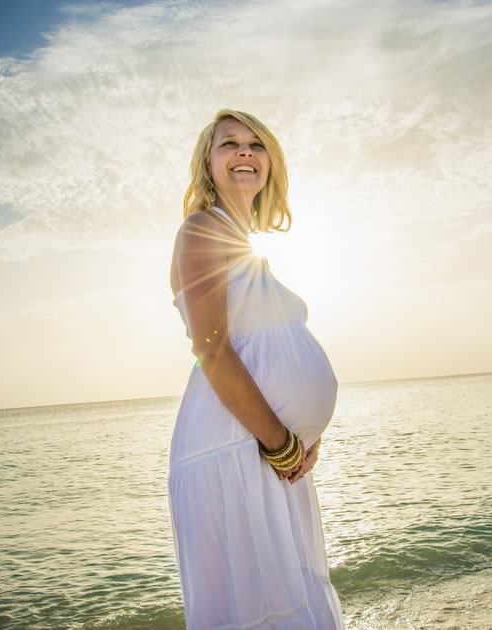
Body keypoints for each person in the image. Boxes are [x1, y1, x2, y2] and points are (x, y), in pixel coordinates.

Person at [167, 109, 344, 629]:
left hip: (266, 450)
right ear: (208, 162)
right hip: (235, 448)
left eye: (255, 144)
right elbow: (213, 351)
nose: (244, 152)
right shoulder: (201, 230)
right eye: (229, 144)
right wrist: (282, 442)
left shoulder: (244, 244)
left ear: (271, 161)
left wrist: (301, 436)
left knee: (290, 607)